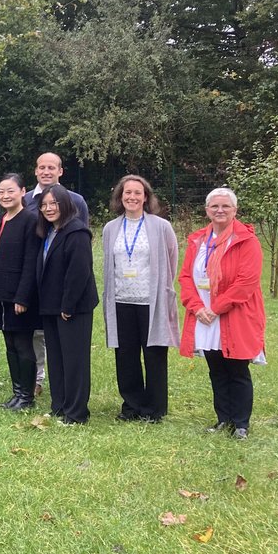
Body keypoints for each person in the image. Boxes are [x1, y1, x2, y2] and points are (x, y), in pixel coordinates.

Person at [177, 188, 266, 440]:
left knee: (237, 370)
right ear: (206, 210)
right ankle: (223, 419)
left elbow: (246, 283)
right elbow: (185, 277)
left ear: (235, 211)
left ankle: (241, 424)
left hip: (232, 315)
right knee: (216, 370)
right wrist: (197, 307)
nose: (220, 210)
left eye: (226, 206)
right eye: (214, 206)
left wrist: (215, 309)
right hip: (204, 315)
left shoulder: (246, 241)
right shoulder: (197, 241)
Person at [101, 175, 180, 422]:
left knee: (154, 355)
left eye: (137, 193)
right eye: (127, 193)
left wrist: (162, 290)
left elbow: (171, 260)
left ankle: (154, 409)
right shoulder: (110, 228)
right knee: (126, 356)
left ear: (146, 197)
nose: (132, 197)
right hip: (121, 300)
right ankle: (132, 405)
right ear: (120, 197)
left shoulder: (161, 226)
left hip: (151, 301)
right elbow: (108, 264)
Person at [23, 151, 90, 396]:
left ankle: (69, 396)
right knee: (38, 333)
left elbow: (78, 246)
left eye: (51, 167)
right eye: (41, 167)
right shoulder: (26, 199)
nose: (46, 171)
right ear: (35, 170)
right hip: (38, 278)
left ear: (60, 171)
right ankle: (38, 380)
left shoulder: (76, 201)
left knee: (66, 342)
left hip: (64, 282)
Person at [34, 185, 98, 424]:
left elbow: (79, 273)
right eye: (44, 205)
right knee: (57, 360)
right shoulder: (49, 231)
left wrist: (68, 306)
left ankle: (76, 412)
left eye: (54, 203)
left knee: (74, 361)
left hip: (72, 308)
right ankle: (59, 405)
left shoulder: (77, 232)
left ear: (66, 205)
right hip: (50, 306)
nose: (49, 209)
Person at [0, 173, 40, 410]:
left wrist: (23, 296)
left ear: (22, 192)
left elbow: (31, 261)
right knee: (9, 344)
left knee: (23, 344)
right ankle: (17, 393)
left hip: (19, 296)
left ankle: (27, 397)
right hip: (0, 293)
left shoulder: (30, 220)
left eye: (10, 191)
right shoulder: (1, 219)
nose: (5, 196)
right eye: (1, 192)